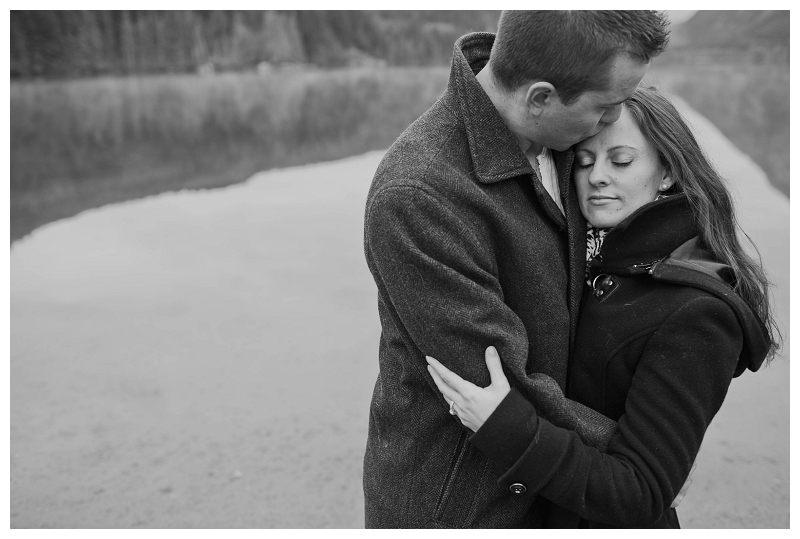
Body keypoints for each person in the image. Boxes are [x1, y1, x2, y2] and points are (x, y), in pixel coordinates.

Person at [363, 11, 669, 528]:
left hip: (555, 483)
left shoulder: (567, 140)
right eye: (607, 106)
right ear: (540, 97)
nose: (614, 121)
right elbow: (501, 381)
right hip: (461, 504)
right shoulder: (418, 194)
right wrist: (643, 460)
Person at [426, 85, 780, 528]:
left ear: (667, 172)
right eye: (585, 161)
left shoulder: (697, 311)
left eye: (622, 160)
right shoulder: (595, 263)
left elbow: (640, 492)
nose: (596, 177)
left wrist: (506, 427)